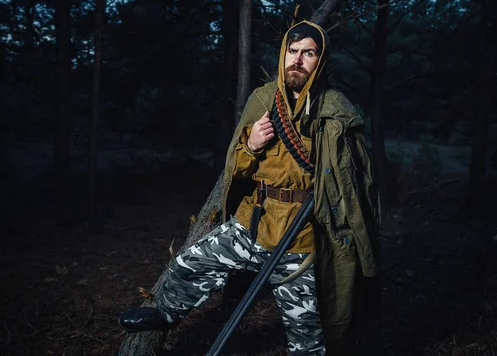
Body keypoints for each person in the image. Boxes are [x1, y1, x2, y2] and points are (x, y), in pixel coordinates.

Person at [118, 20, 380, 355]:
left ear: (321, 60)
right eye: (292, 50)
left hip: (300, 243)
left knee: (308, 343)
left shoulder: (337, 112)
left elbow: (356, 185)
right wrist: (252, 145)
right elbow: (235, 169)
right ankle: (166, 315)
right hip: (251, 227)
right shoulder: (263, 99)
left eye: (308, 53)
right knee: (187, 265)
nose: (298, 59)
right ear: (283, 53)